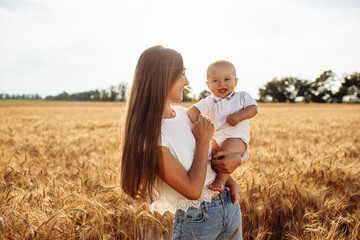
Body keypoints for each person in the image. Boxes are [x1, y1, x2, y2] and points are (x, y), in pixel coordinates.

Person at [121, 46, 243, 239]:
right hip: (197, 220)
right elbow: (193, 191)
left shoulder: (184, 114)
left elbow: (210, 159)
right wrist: (203, 141)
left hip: (229, 205)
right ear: (163, 78)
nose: (187, 82)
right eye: (182, 75)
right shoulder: (150, 138)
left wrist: (230, 180)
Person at [187, 60, 258, 203]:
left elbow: (253, 109)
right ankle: (232, 183)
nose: (221, 84)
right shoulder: (209, 102)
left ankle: (221, 179)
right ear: (208, 85)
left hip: (236, 139)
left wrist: (239, 116)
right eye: (215, 80)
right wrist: (201, 121)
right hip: (216, 138)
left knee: (224, 153)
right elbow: (192, 112)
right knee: (211, 158)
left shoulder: (241, 97)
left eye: (227, 79)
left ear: (235, 82)